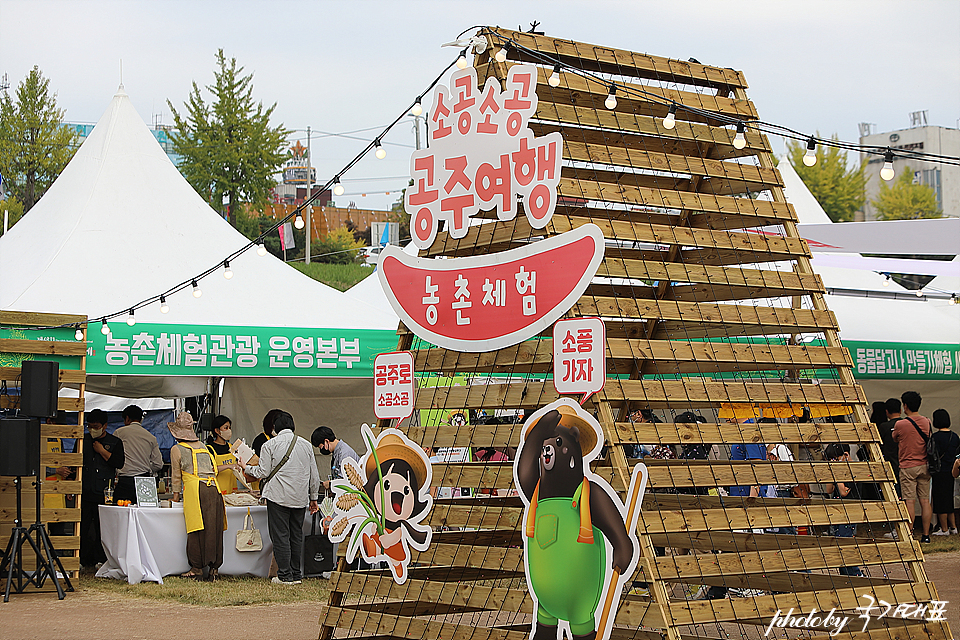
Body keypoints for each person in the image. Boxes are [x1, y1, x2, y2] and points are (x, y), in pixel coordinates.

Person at [244, 411, 320, 585]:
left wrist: (247, 468)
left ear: (275, 429)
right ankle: (296, 574)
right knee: (296, 535)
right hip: (300, 498)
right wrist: (313, 497)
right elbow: (314, 475)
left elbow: (262, 472)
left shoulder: (269, 445)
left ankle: (284, 575)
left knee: (280, 536)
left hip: (277, 497)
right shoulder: (306, 445)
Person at [169, 411, 227, 581]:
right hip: (214, 489)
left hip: (196, 490)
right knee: (214, 528)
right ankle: (214, 569)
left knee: (196, 530)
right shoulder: (203, 446)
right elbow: (214, 470)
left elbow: (176, 477)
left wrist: (175, 498)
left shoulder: (176, 449)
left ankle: (196, 568)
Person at [79, 409, 125, 569]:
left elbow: (119, 463)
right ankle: (81, 559)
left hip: (104, 492)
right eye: (89, 426)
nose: (92, 429)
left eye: (96, 426)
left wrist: (102, 451)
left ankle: (102, 559)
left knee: (102, 528)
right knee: (82, 527)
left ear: (105, 426)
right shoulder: (82, 440)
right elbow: (74, 462)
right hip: (84, 491)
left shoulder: (115, 442)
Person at [892, 391, 933, 543]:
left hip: (908, 466)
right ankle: (926, 535)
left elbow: (895, 437)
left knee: (909, 501)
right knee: (924, 501)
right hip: (925, 465)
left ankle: (909, 535)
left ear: (905, 406)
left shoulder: (901, 424)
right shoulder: (927, 421)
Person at [823, 443, 864, 576]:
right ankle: (845, 573)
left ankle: (855, 573)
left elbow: (844, 491)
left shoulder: (853, 469)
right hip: (837, 509)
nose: (832, 462)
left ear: (845, 455)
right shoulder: (838, 470)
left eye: (834, 459)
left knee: (845, 541)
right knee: (837, 541)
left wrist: (836, 474)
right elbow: (829, 490)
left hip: (849, 509)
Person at [113, 405, 163, 504]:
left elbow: (113, 457)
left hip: (125, 481)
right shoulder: (151, 437)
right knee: (144, 513)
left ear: (127, 418)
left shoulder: (119, 433)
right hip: (145, 481)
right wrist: (145, 467)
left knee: (120, 513)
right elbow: (158, 464)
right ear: (141, 419)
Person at [930, 409, 958, 536]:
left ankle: (944, 529)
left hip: (939, 471)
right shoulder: (955, 436)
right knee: (949, 499)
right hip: (952, 471)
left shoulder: (935, 437)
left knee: (940, 500)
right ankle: (954, 527)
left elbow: (931, 454)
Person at [205, 415, 240, 494]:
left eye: (229, 428)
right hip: (217, 491)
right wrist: (228, 466)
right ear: (217, 431)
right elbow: (209, 470)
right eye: (226, 428)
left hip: (232, 491)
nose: (229, 431)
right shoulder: (209, 449)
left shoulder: (232, 447)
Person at [878, 398, 902, 495]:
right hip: (904, 462)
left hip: (889, 463)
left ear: (887, 412)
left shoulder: (884, 426)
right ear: (901, 410)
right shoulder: (906, 424)